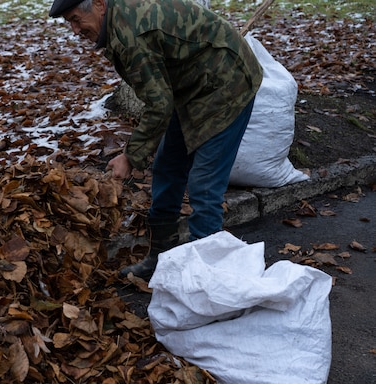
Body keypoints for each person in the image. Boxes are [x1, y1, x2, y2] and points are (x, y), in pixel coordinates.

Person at [49, 0, 263, 280]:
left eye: (77, 19)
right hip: (191, 85)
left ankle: (209, 278)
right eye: (70, 23)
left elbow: (159, 105)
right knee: (167, 168)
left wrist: (130, 157)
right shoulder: (116, 22)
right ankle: (160, 257)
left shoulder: (130, 35)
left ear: (99, 4)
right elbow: (159, 96)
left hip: (226, 83)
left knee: (204, 185)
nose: (75, 30)